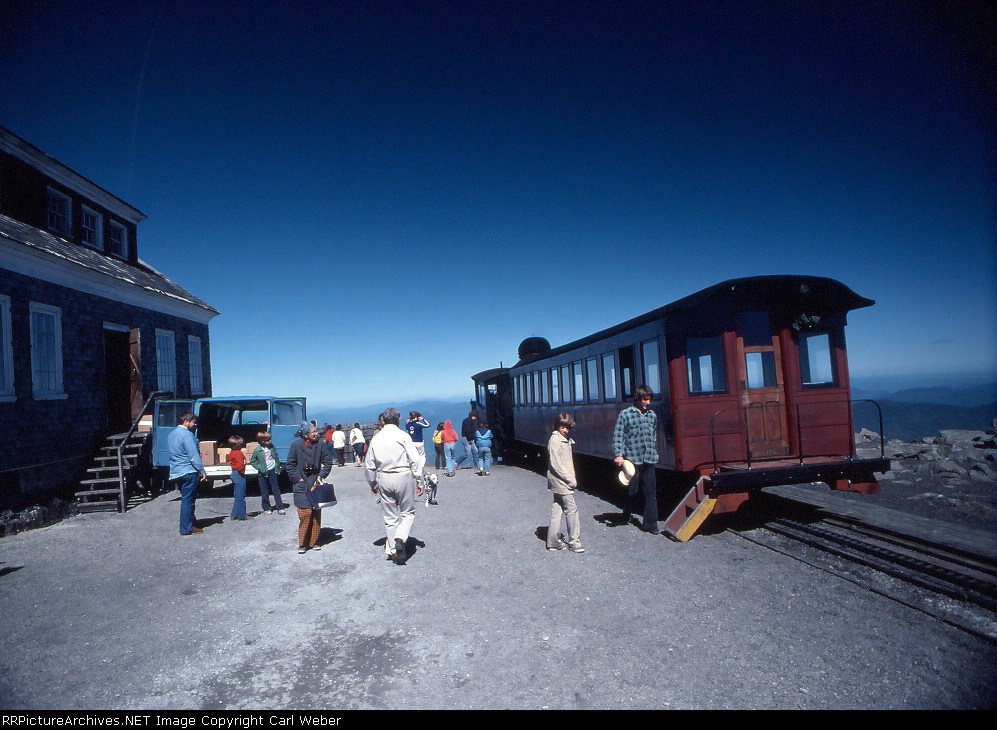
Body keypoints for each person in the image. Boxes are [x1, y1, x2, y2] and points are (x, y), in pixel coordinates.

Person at [364, 408, 425, 564]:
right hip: (403, 476)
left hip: (383, 477)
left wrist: (372, 483)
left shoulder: (376, 438)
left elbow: (369, 464)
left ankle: (392, 550)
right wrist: (419, 480)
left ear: (383, 419)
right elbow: (415, 459)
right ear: (398, 419)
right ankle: (401, 537)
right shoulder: (403, 436)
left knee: (390, 517)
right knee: (408, 512)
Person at [612, 384, 660, 535]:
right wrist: (619, 454)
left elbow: (653, 435)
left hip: (649, 458)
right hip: (632, 458)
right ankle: (626, 514)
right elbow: (618, 436)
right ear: (638, 398)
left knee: (651, 493)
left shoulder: (652, 415)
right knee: (631, 491)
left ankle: (651, 525)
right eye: (645, 399)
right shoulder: (625, 414)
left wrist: (653, 448)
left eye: (650, 399)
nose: (648, 402)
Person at [285, 422, 334, 554]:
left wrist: (321, 476)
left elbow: (328, 462)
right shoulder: (296, 445)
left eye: (316, 431)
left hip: (315, 483)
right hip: (301, 484)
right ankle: (302, 542)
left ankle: (314, 541)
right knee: (305, 513)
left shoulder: (321, 445)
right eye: (313, 432)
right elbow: (289, 465)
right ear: (305, 434)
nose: (316, 433)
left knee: (315, 513)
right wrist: (297, 478)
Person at [546, 413, 584, 552]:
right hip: (562, 481)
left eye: (567, 428)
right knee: (571, 510)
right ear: (557, 426)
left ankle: (552, 541)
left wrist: (568, 442)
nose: (565, 430)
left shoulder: (562, 439)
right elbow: (556, 464)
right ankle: (574, 542)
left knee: (557, 509)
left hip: (557, 481)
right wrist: (570, 479)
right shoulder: (555, 441)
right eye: (562, 427)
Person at [168, 412, 207, 536]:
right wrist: (202, 471)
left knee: (186, 498)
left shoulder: (171, 435)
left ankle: (191, 522)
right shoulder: (187, 435)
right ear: (187, 421)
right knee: (188, 500)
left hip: (176, 471)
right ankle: (186, 528)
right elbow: (193, 456)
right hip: (189, 471)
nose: (195, 425)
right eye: (194, 422)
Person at [250, 431, 287, 515]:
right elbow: (253, 461)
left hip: (272, 470)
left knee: (276, 489)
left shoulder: (272, 447)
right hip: (262, 473)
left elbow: (276, 456)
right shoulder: (258, 450)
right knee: (264, 491)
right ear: (262, 441)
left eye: (270, 439)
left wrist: (277, 466)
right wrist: (260, 468)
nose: (270, 441)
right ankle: (266, 507)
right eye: (268, 440)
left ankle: (280, 507)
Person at [227, 435, 252, 521]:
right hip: (238, 474)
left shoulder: (232, 452)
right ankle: (242, 515)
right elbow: (240, 465)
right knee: (241, 496)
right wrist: (242, 472)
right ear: (237, 444)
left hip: (234, 473)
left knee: (237, 495)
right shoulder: (238, 453)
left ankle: (234, 514)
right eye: (241, 444)